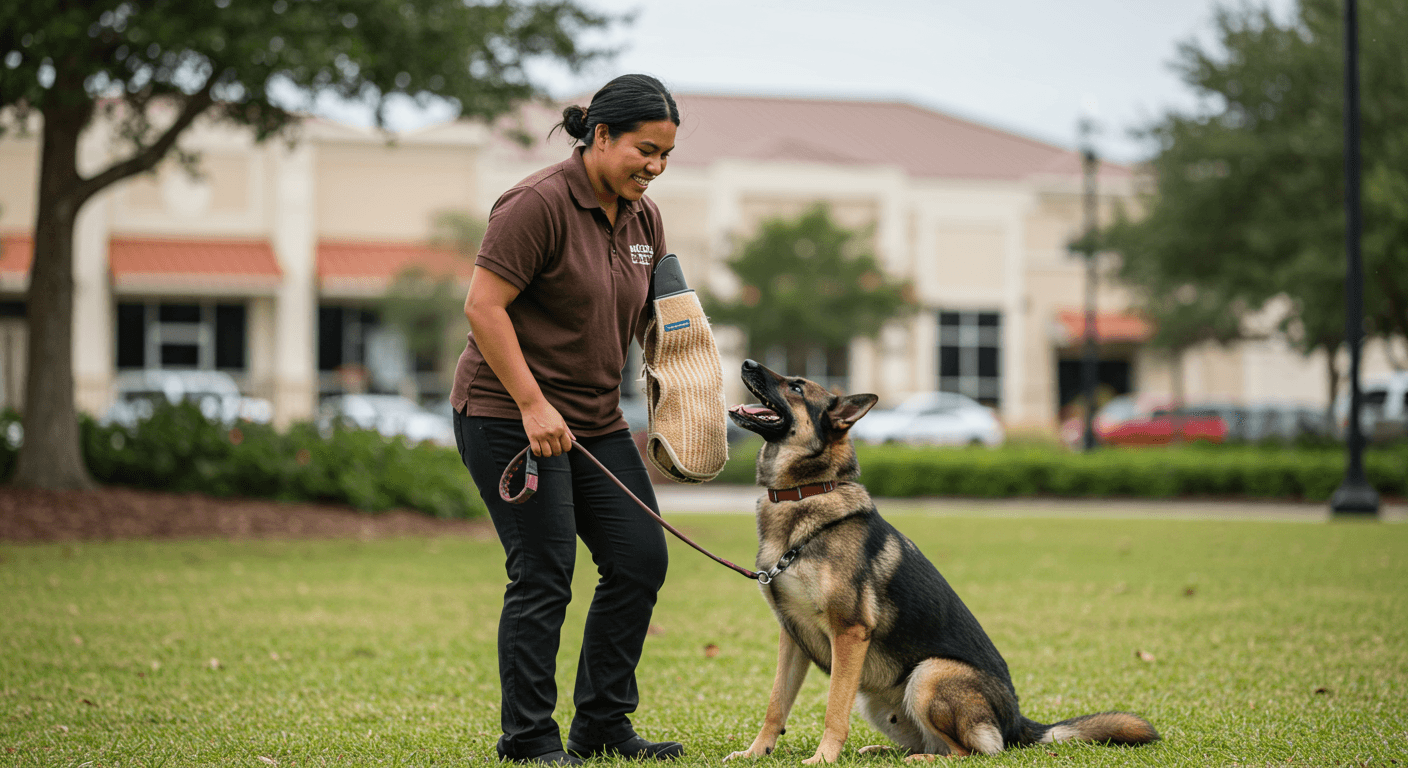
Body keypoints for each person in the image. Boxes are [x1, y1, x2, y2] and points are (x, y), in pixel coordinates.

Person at [450, 74, 683, 766]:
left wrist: (690, 392)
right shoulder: (536, 204)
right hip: (505, 412)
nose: (655, 167)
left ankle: (603, 726)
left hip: (595, 419)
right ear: (600, 136)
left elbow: (653, 318)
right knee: (544, 573)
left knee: (639, 559)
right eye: (645, 150)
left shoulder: (646, 218)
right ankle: (527, 740)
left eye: (667, 155)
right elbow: (482, 307)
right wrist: (530, 403)